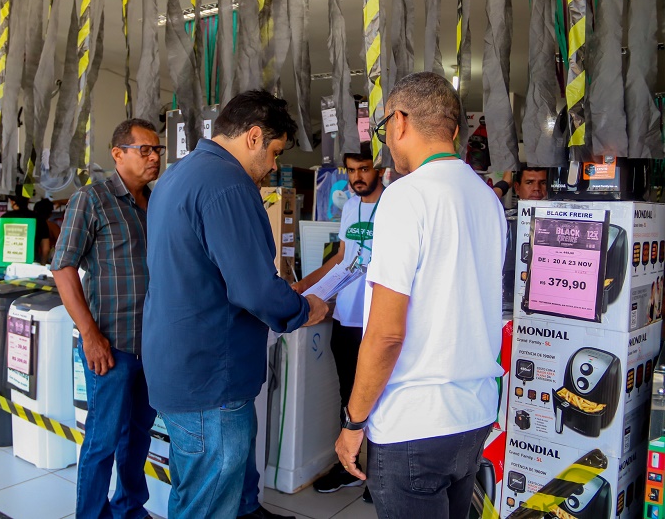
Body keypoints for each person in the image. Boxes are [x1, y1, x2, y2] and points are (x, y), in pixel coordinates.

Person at [143, 90, 328, 519]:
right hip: (209, 376)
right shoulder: (227, 183)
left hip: (180, 364)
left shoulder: (178, 174)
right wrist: (306, 310)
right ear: (254, 137)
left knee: (212, 489)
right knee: (205, 506)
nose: (274, 167)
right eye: (275, 153)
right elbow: (254, 289)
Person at [334, 72, 506, 519]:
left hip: (414, 423)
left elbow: (387, 334)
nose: (387, 142)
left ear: (400, 121)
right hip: (472, 416)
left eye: (384, 128)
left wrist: (353, 423)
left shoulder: (405, 197)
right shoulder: (487, 199)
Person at [51, 118, 164, 519]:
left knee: (137, 437)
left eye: (158, 150)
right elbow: (63, 268)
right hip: (111, 345)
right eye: (145, 150)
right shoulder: (92, 199)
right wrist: (89, 334)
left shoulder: (159, 202)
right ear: (118, 154)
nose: (155, 158)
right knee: (101, 441)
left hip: (153, 345)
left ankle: (131, 508)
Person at [292, 143, 383, 502]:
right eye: (351, 170)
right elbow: (343, 256)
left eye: (364, 169)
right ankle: (349, 468)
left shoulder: (395, 205)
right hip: (347, 317)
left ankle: (378, 476)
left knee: (379, 398)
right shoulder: (351, 206)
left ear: (378, 169)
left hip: (378, 318)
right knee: (348, 395)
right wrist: (303, 285)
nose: (357, 177)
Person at [0, 187, 50, 264]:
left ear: (11, 201)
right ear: (28, 200)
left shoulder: (4, 218)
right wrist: (42, 265)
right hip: (32, 265)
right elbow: (46, 249)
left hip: (8, 266)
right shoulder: (39, 219)